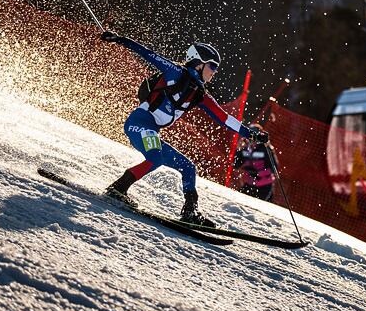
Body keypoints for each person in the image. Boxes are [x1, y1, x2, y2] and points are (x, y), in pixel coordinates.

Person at [100, 31, 269, 227]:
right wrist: (120, 39)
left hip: (152, 131)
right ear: (198, 63)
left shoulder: (200, 94)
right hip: (139, 123)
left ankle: (190, 211)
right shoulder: (175, 72)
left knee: (188, 167)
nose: (214, 72)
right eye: (212, 66)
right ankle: (118, 188)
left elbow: (224, 118)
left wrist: (250, 134)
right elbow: (147, 53)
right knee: (155, 157)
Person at [233, 123, 278, 202]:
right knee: (238, 201)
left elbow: (274, 168)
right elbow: (236, 164)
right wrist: (237, 151)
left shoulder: (265, 149)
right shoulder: (245, 148)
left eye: (255, 137)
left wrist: (259, 173)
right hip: (250, 183)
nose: (252, 140)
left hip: (264, 185)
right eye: (250, 137)